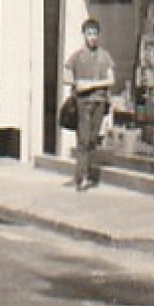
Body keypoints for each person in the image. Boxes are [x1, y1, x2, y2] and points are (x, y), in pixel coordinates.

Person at [63, 18, 115, 192]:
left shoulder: (104, 55)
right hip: (83, 103)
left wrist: (91, 84)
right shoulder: (78, 56)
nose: (92, 37)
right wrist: (77, 83)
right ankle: (81, 177)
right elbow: (66, 76)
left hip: (99, 102)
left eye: (95, 34)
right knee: (84, 139)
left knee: (92, 139)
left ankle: (82, 171)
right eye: (89, 33)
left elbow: (111, 78)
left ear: (99, 35)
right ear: (84, 35)